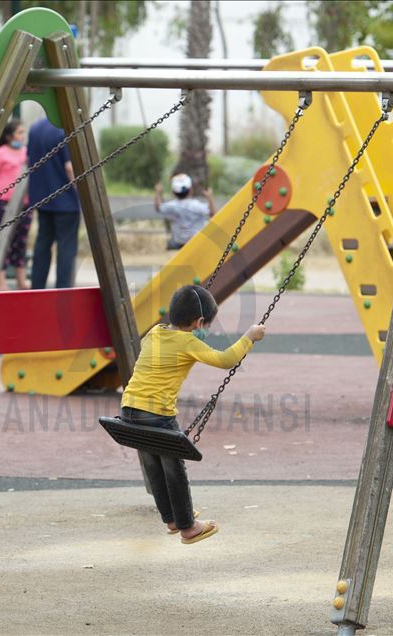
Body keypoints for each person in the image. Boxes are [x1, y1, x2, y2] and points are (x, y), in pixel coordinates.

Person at [119, 285, 266, 544]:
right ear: (198, 322)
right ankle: (188, 526)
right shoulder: (188, 341)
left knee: (153, 464)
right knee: (174, 465)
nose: (205, 330)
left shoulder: (155, 332)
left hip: (129, 408)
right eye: (205, 326)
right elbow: (225, 360)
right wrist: (249, 337)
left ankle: (172, 518)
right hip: (157, 413)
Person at [27, 117, 80, 289]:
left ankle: (37, 287)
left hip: (42, 197)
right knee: (66, 248)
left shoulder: (35, 128)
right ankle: (63, 289)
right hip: (66, 200)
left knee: (43, 244)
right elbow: (70, 167)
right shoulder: (65, 127)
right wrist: (82, 194)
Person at [0, 119, 31, 290]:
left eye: (23, 133)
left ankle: (21, 280)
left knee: (21, 241)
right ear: (9, 136)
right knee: (3, 240)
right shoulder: (0, 154)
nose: (22, 136)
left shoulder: (26, 152)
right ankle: (1, 280)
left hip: (24, 203)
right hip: (2, 202)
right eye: (19, 132)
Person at [154, 173, 216, 250]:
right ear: (191, 190)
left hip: (179, 243)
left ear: (173, 192)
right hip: (197, 242)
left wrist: (158, 192)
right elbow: (213, 214)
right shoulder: (196, 205)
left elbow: (158, 207)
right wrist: (210, 197)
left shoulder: (172, 206)